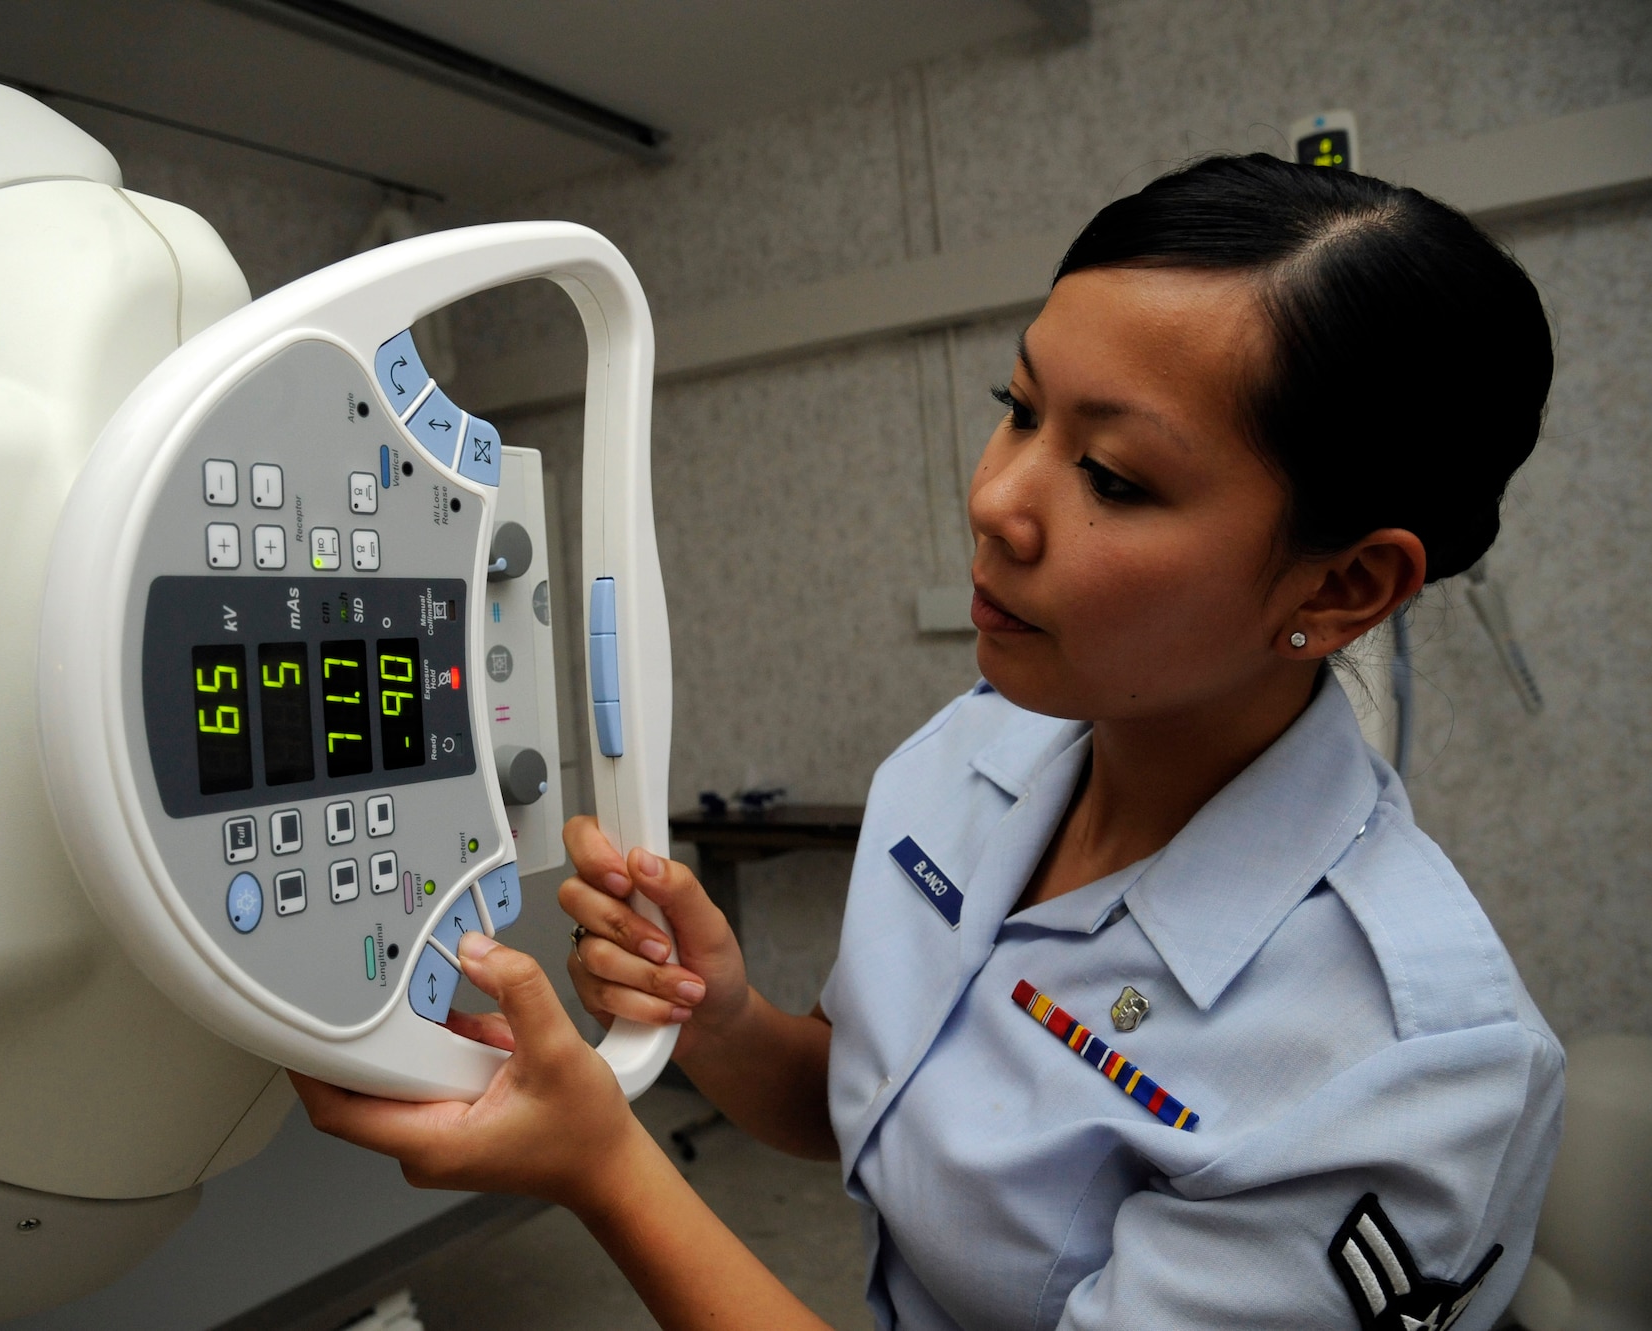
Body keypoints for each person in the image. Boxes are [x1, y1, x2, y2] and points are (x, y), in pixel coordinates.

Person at [293, 153, 1564, 1331]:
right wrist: (723, 1018)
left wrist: (605, 1168)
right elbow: (872, 1098)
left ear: (1340, 587)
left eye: (1112, 476)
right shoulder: (972, 751)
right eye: (1015, 409)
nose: (997, 499)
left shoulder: (1408, 1072)